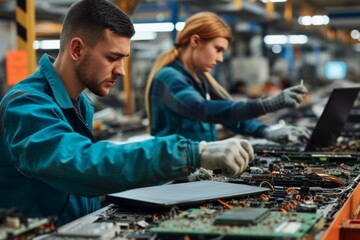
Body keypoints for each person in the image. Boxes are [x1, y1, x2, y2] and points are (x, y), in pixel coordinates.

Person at [0, 0, 254, 226]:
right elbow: (82, 165)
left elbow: (90, 185)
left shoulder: (80, 104)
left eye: (124, 58)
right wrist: (190, 153)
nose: (121, 71)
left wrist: (178, 171)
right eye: (113, 57)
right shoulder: (26, 104)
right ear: (77, 50)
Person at [145, 12, 310, 144]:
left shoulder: (200, 79)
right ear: (195, 41)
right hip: (173, 176)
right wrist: (268, 104)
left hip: (196, 170)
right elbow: (202, 109)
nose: (220, 58)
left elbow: (229, 115)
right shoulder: (168, 77)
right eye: (217, 49)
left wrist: (266, 131)